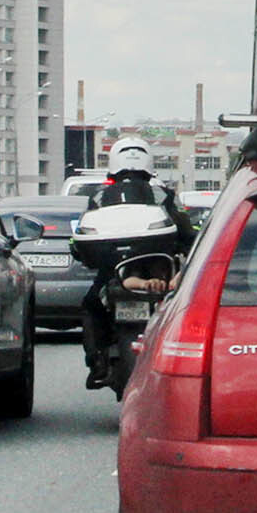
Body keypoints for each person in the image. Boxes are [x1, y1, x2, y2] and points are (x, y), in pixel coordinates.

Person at [81, 138, 198, 389]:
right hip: (155, 267)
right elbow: (186, 231)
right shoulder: (162, 194)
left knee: (91, 305)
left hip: (116, 270)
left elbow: (83, 237)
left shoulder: (100, 196)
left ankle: (96, 363)